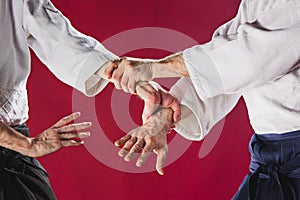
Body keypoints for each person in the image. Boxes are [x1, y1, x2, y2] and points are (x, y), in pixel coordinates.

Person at [106, 0, 300, 199]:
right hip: (268, 157)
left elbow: (249, 58)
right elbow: (225, 59)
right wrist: (164, 118)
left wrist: (154, 68)